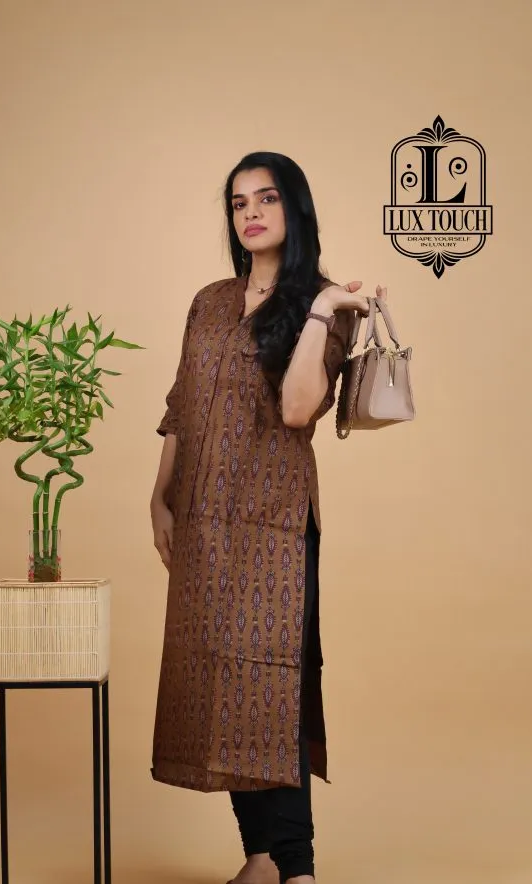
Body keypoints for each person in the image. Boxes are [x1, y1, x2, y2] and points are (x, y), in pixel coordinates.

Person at [149, 151, 387, 884]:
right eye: (238, 202)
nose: (250, 213)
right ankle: (258, 857)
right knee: (217, 678)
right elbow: (182, 404)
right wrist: (159, 496)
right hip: (202, 515)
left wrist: (318, 310)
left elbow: (297, 408)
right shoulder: (209, 301)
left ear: (295, 208)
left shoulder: (325, 304)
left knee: (269, 682)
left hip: (272, 524)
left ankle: (297, 868)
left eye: (267, 198)